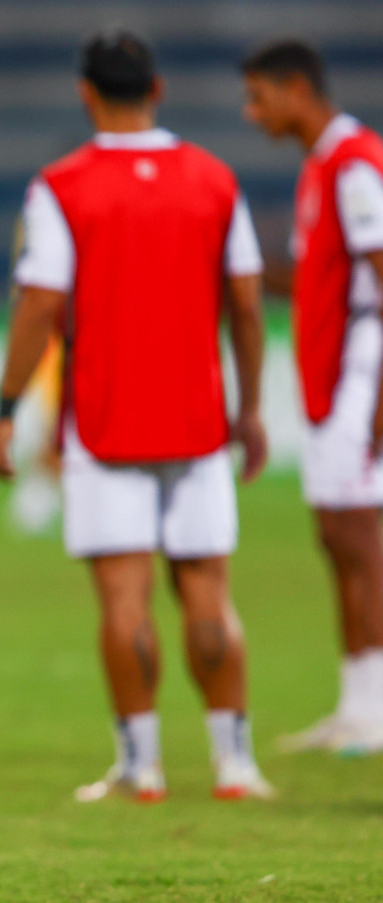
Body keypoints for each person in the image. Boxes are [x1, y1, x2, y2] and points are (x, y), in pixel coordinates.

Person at [0, 30, 273, 802]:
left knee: (124, 598)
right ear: (159, 89)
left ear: (87, 93)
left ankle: (142, 767)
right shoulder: (215, 180)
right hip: (201, 422)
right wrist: (250, 408)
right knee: (209, 591)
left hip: (108, 424)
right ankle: (235, 763)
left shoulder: (62, 187)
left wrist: (8, 409)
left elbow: (40, 304)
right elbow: (246, 303)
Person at [242, 40, 383, 755]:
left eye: (259, 96)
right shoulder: (323, 166)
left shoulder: (356, 164)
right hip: (331, 373)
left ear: (297, 89)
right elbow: (322, 283)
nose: (252, 111)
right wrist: (239, 272)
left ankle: (376, 706)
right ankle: (358, 702)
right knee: (336, 535)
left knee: (360, 534)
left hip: (363, 372)